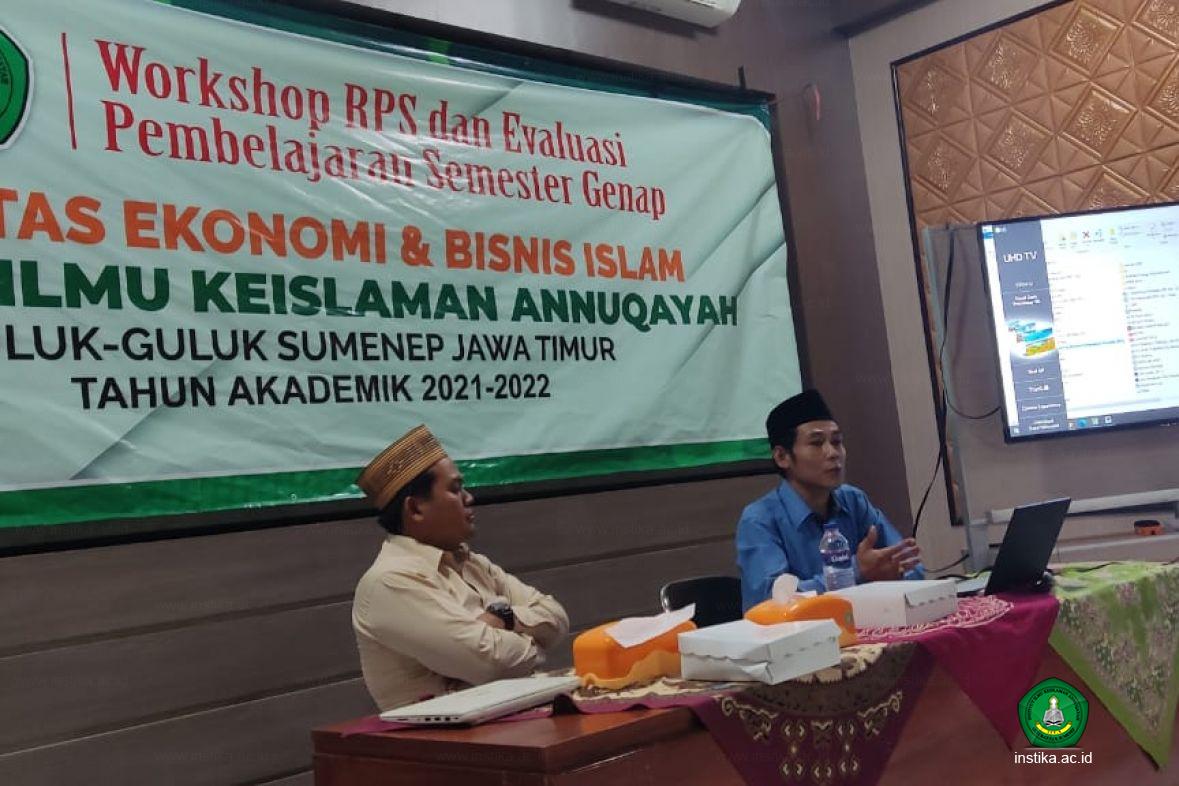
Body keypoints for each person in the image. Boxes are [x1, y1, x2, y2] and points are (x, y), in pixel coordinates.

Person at [352, 424, 570, 710]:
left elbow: (556, 618)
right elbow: (494, 664)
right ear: (415, 509)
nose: (469, 498)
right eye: (455, 489)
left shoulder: (471, 562)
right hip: (444, 735)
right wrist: (530, 642)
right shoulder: (391, 580)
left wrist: (502, 619)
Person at [736, 389, 923, 609]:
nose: (833, 453)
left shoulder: (854, 501)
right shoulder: (759, 521)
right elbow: (773, 602)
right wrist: (857, 572)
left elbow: (911, 567)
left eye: (837, 441)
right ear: (782, 457)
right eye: (816, 443)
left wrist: (895, 574)